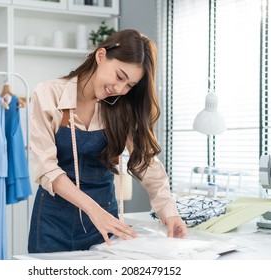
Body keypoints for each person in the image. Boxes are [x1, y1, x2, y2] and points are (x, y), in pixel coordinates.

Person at [28, 29, 187, 253]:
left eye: (129, 85)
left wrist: (169, 212)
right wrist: (94, 211)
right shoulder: (48, 94)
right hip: (53, 221)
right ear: (101, 56)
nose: (120, 89)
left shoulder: (123, 107)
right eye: (120, 77)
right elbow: (46, 169)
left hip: (106, 221)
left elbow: (146, 162)